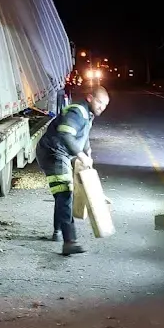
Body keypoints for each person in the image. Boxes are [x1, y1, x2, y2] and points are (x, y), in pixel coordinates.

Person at [36, 85, 110, 255]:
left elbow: (83, 135)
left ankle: (58, 231)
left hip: (58, 153)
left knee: (61, 194)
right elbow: (66, 134)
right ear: (90, 98)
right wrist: (81, 155)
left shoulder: (88, 114)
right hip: (53, 153)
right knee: (64, 193)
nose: (102, 107)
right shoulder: (77, 112)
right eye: (100, 102)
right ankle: (69, 241)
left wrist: (88, 151)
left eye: (105, 105)